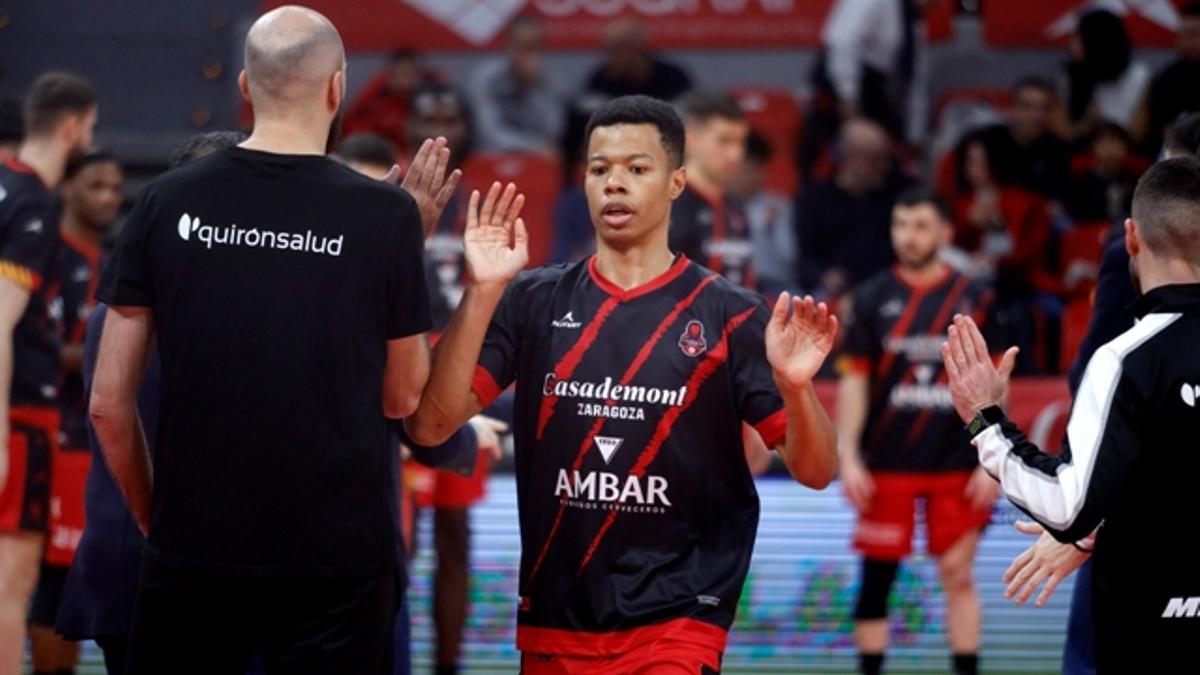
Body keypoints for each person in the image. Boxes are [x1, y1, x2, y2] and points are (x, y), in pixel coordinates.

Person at [405, 94, 840, 672]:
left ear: (677, 182)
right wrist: (482, 293)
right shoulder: (531, 299)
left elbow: (817, 471)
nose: (614, 184)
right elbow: (431, 425)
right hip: (556, 620)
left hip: (679, 619)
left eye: (637, 169)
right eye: (599, 169)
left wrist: (795, 387)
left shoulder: (731, 314)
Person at [89, 7, 459, 672]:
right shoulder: (388, 215)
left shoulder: (164, 200)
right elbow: (403, 395)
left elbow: (108, 404)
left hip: (194, 549)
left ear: (243, 86)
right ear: (337, 88)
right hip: (338, 563)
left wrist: (157, 517)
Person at [943, 157, 1200, 672]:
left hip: (1151, 635)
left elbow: (1068, 506)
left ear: (1130, 238)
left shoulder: (1125, 358)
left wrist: (985, 421)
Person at [52, 132, 241, 675]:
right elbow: (110, 411)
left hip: (143, 558)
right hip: (183, 562)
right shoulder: (218, 311)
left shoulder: (116, 305)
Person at [836, 189, 1000, 675]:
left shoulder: (975, 297)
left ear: (946, 233)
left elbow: (995, 382)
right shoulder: (869, 298)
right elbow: (854, 381)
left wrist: (994, 458)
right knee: (876, 580)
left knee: (957, 573)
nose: (909, 236)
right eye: (901, 224)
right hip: (886, 462)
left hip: (956, 461)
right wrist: (848, 457)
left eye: (921, 225)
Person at [0, 71, 96, 674]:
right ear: (71, 128)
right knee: (13, 584)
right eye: (91, 127)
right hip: (19, 415)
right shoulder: (32, 200)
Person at [25, 150, 123, 675]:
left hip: (98, 441)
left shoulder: (115, 260)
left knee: (90, 573)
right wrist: (105, 351)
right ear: (67, 188)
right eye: (95, 186)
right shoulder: (45, 256)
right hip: (53, 437)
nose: (109, 197)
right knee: (54, 576)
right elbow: (33, 345)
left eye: (115, 187)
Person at [796, 117, 903, 299]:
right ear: (853, 158)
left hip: (885, 289)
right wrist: (824, 275)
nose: (884, 167)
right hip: (832, 292)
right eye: (876, 159)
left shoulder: (893, 198)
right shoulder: (815, 198)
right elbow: (804, 255)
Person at [812, 0, 938, 145]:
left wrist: (915, 136)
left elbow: (916, 81)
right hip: (841, 95)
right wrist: (848, 101)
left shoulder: (914, 22)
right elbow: (843, 42)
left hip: (877, 96)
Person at [669, 91, 754, 288]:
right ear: (689, 140)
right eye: (724, 141)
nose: (736, 155)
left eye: (740, 142)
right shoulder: (664, 205)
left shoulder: (735, 207)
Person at [467, 14, 563, 156]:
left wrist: (531, 87)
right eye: (520, 46)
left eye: (533, 47)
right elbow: (487, 135)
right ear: (507, 46)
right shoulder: (486, 78)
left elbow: (552, 133)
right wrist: (530, 147)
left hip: (535, 160)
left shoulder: (548, 80)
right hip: (493, 157)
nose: (526, 54)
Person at [1061, 9, 1150, 141]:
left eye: (1078, 37)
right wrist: (1087, 125)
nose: (1071, 44)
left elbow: (1139, 133)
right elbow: (1064, 132)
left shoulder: (1138, 76)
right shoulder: (1068, 76)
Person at [729, 131, 797, 295]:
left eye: (760, 169)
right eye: (748, 169)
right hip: (724, 285)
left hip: (772, 286)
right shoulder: (712, 205)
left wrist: (769, 229)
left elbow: (788, 258)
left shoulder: (778, 206)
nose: (758, 177)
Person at [342, 49, 437, 157]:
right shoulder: (375, 101)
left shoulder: (433, 99)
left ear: (419, 75)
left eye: (409, 74)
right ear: (390, 75)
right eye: (399, 74)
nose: (404, 81)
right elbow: (353, 128)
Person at [1137, 2, 1200, 155]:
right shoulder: (1167, 79)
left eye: (1192, 35)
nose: (1185, 42)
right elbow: (1159, 128)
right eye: (1181, 35)